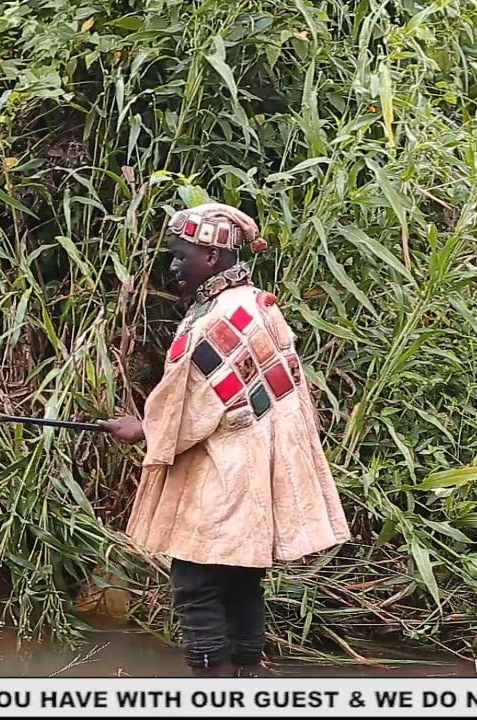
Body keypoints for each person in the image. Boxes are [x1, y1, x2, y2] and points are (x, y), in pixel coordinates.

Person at [100, 202, 351, 678]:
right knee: (241, 580)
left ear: (212, 259)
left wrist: (141, 429)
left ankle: (210, 688)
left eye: (181, 256)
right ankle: (247, 680)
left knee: (194, 580)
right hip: (258, 464)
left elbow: (188, 407)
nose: (173, 266)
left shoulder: (213, 321)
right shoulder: (257, 304)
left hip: (224, 469)